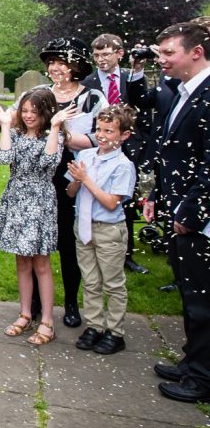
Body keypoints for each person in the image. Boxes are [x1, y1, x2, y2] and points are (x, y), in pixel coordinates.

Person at [144, 20, 210, 403]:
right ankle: (192, 360)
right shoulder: (181, 91)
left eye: (169, 52)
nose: (162, 59)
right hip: (177, 206)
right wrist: (157, 193)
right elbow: (174, 154)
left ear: (195, 52)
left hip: (198, 219)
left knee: (203, 300)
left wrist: (191, 212)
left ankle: (202, 378)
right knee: (189, 291)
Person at [0, 88, 75, 346]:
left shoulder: (54, 136)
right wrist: (5, 126)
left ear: (46, 112)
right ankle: (25, 313)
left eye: (34, 112)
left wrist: (57, 126)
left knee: (41, 263)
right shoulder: (15, 134)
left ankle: (47, 320)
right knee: (22, 262)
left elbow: (49, 162)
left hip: (40, 202)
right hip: (16, 198)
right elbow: (4, 158)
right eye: (24, 110)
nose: (27, 116)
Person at [35, 38, 107, 328]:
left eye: (61, 62)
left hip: (73, 176)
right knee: (39, 240)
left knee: (68, 241)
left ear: (75, 65)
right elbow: (22, 123)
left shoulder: (92, 98)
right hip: (41, 175)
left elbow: (103, 136)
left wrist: (68, 136)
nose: (54, 67)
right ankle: (38, 302)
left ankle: (72, 302)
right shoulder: (40, 95)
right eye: (51, 62)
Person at [67, 105, 137, 355]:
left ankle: (115, 331)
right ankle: (94, 325)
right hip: (83, 226)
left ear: (124, 135)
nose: (103, 135)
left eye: (109, 130)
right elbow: (70, 192)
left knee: (113, 283)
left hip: (108, 230)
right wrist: (76, 181)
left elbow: (110, 202)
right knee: (90, 280)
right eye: (99, 129)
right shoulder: (85, 157)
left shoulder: (122, 165)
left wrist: (87, 180)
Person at [84, 33, 149, 274]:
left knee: (126, 200)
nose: (101, 59)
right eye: (97, 55)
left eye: (106, 54)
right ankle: (94, 245)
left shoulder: (130, 78)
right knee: (100, 196)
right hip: (99, 146)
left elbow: (144, 107)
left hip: (129, 146)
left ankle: (127, 253)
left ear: (119, 53)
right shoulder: (89, 82)